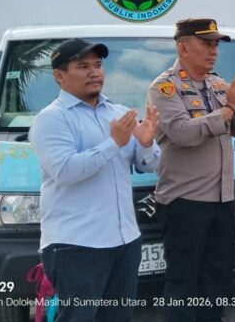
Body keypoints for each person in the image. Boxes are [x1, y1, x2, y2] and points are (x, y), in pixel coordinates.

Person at [147, 18, 235, 321]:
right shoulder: (164, 88)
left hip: (221, 200)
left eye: (216, 44)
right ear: (183, 48)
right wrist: (230, 108)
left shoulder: (219, 84)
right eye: (206, 43)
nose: (214, 50)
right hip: (185, 203)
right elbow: (182, 133)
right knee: (183, 281)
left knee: (217, 278)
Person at [30, 38, 160, 322]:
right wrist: (114, 143)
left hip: (125, 240)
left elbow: (150, 165)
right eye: (83, 66)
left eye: (98, 65)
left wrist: (147, 143)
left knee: (118, 317)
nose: (94, 73)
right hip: (77, 244)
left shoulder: (118, 112)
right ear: (59, 75)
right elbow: (66, 171)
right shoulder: (51, 119)